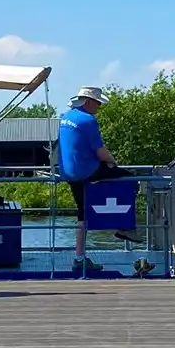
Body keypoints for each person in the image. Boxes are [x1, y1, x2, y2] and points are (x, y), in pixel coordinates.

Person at [58, 86, 123, 277]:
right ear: (88, 102)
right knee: (127, 177)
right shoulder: (88, 120)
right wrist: (113, 162)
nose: (99, 107)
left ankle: (79, 258)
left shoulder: (66, 117)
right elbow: (101, 152)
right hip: (86, 169)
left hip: (69, 172)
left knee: (82, 214)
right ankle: (125, 228)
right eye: (98, 103)